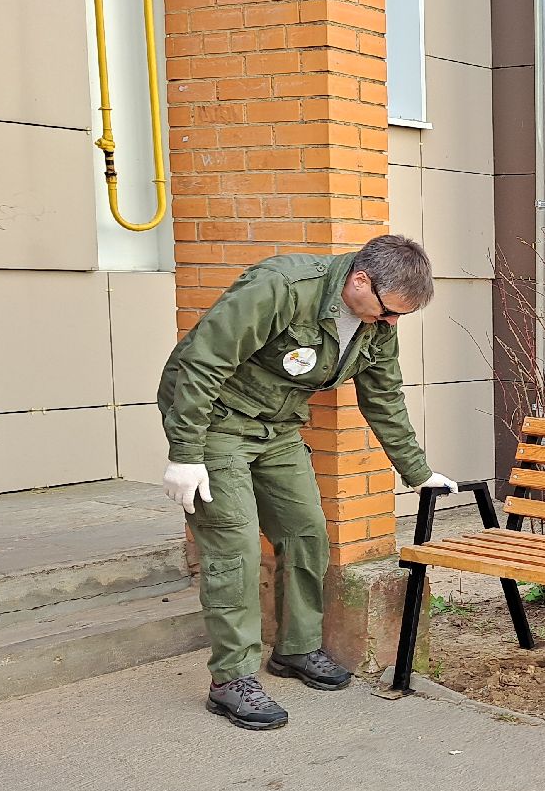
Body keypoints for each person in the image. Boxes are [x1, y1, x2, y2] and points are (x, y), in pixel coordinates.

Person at [157, 234, 457, 731]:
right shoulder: (283, 287)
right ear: (360, 280)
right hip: (215, 421)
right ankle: (231, 679)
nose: (390, 325)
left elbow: (383, 397)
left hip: (277, 427)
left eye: (399, 317)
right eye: (388, 313)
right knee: (234, 546)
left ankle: (295, 649)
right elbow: (201, 362)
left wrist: (418, 472)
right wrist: (185, 453)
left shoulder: (375, 322)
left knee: (306, 531)